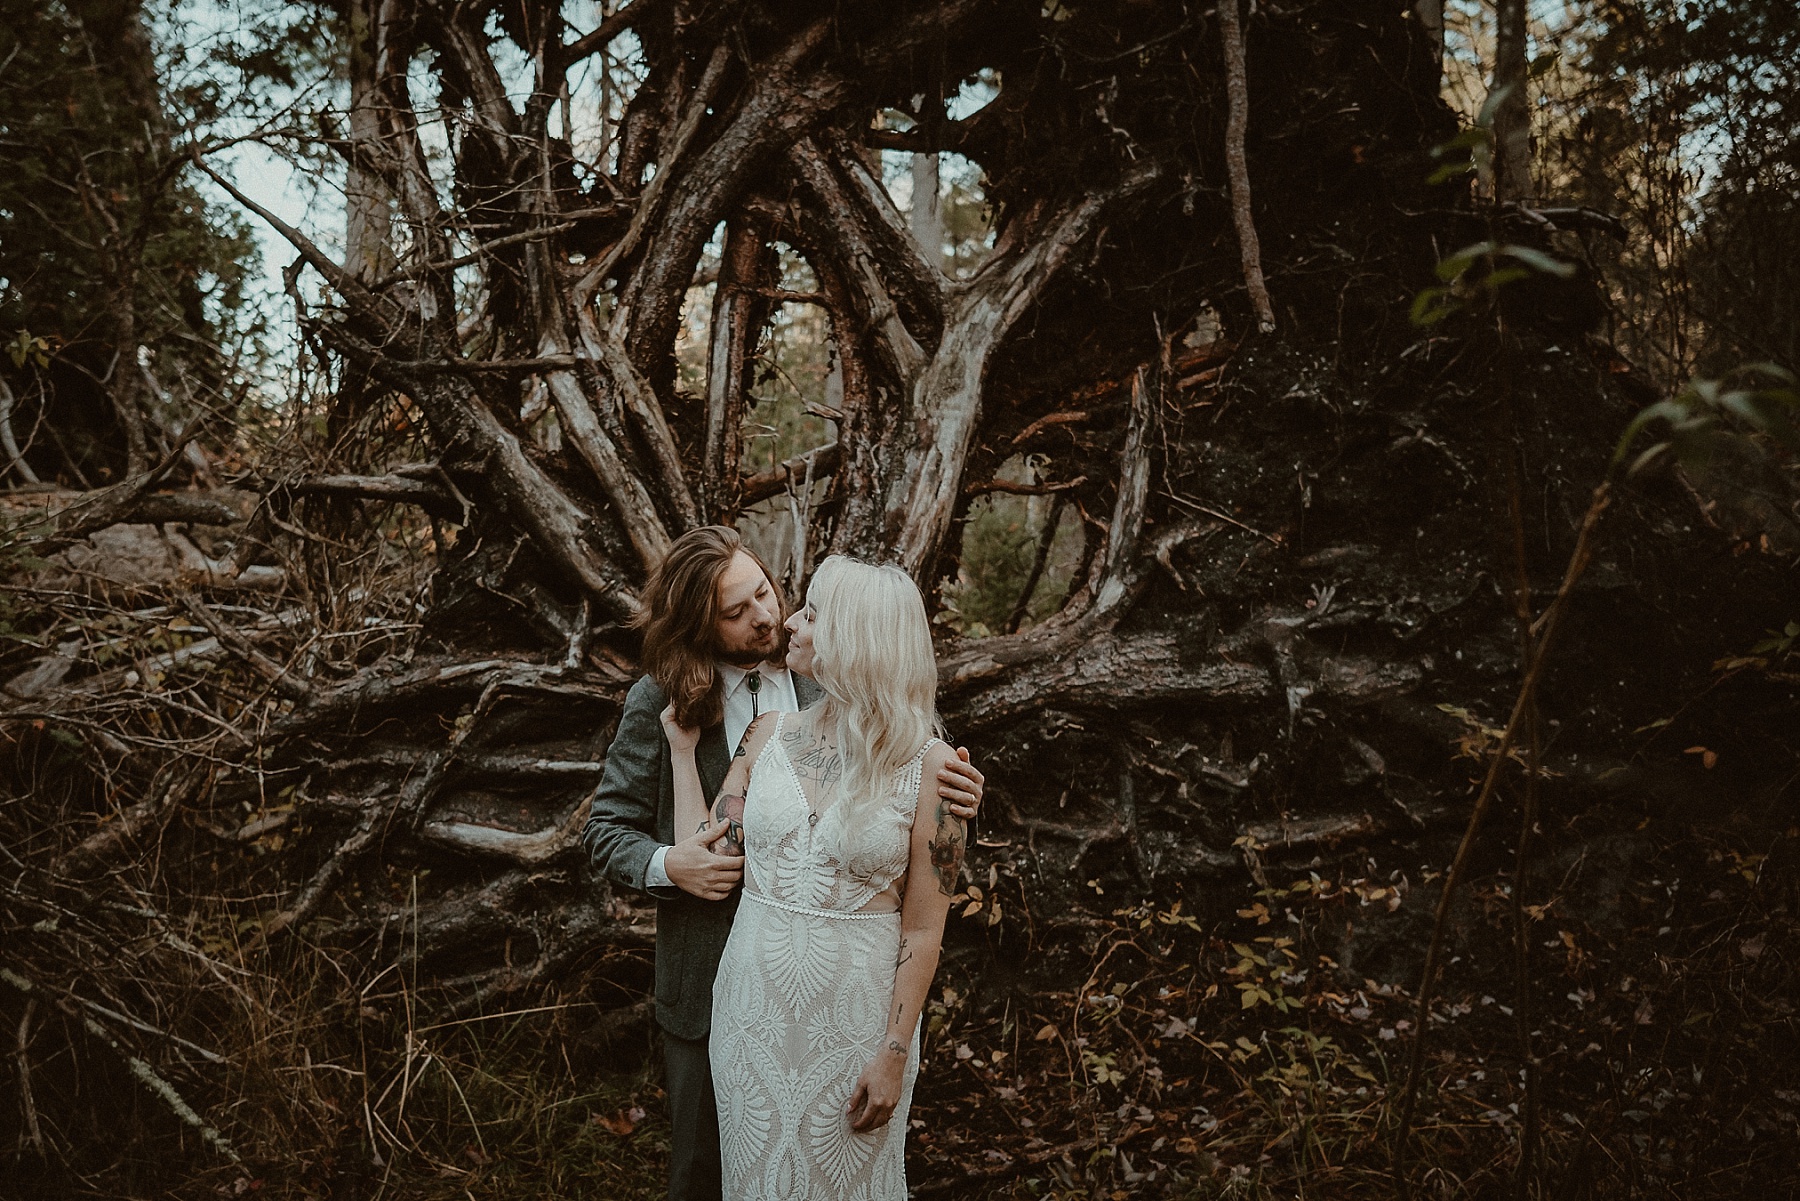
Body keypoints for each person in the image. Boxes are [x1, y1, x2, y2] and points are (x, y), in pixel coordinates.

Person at [581, 528, 984, 1201]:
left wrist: (959, 796)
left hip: (847, 997)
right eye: (736, 613)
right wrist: (668, 863)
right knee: (709, 1177)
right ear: (699, 625)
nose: (769, 616)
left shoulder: (814, 670)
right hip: (723, 988)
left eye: (764, 592)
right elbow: (612, 829)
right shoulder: (666, 702)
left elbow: (904, 803)